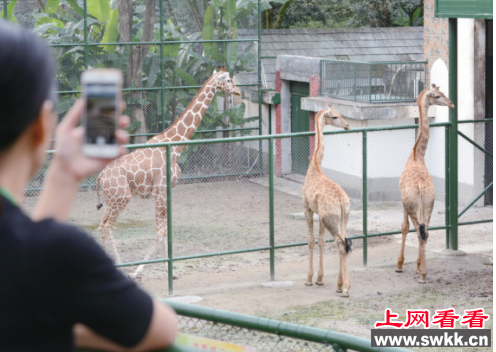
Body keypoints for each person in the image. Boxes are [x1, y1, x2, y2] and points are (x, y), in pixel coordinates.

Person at [0, 20, 177, 351]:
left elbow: (26, 263)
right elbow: (162, 328)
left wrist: (64, 175)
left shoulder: (33, 252)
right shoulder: (61, 251)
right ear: (41, 126)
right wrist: (73, 332)